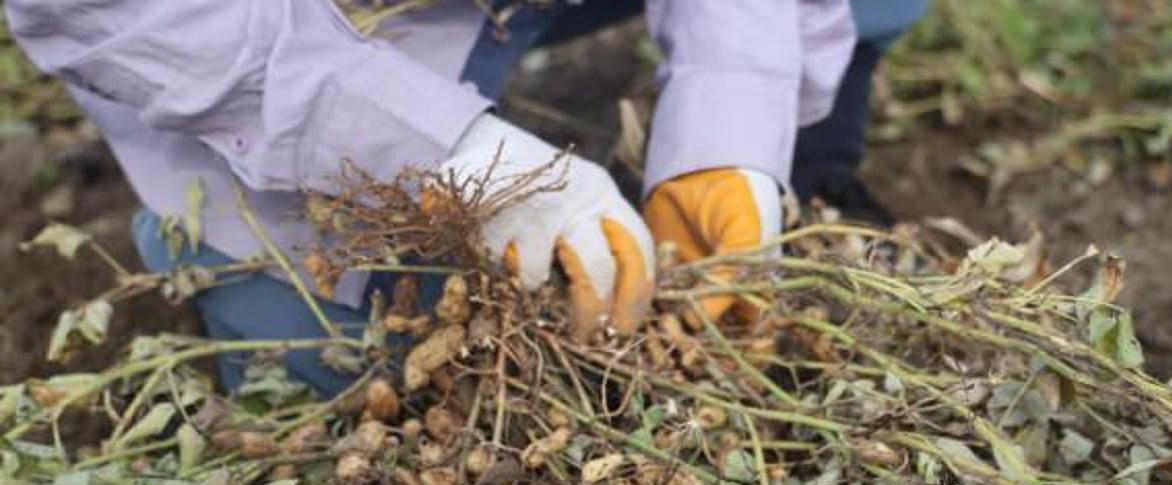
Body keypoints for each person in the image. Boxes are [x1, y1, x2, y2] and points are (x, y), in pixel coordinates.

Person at [6, 0, 928, 396]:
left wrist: (729, 129)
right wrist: (441, 152)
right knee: (342, 379)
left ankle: (812, 178)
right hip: (274, 36)